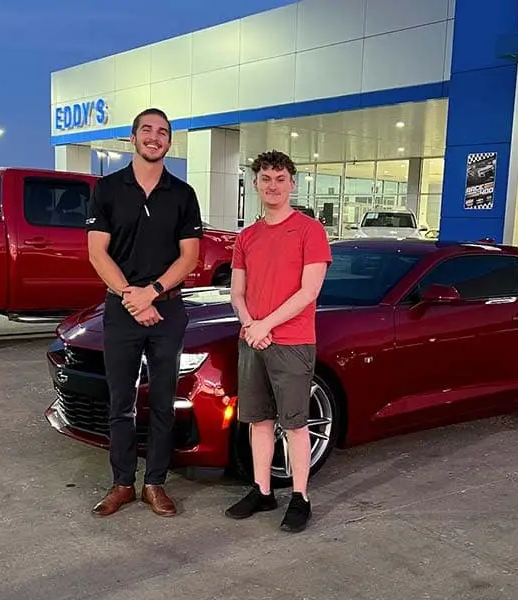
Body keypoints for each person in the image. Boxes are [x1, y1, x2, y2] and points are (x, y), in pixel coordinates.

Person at [85, 107, 203, 517]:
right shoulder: (107, 189)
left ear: (170, 142)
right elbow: (96, 252)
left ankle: (155, 483)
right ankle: (121, 483)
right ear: (132, 138)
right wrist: (131, 297)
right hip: (121, 311)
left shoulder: (183, 195)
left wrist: (151, 293)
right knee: (120, 402)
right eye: (147, 130)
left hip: (167, 311)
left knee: (164, 403)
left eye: (163, 132)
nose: (155, 137)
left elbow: (190, 257)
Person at [224, 150, 332, 532]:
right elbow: (237, 292)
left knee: (296, 423)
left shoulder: (309, 230)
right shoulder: (247, 237)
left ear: (292, 183)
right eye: (265, 179)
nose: (273, 185)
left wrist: (264, 325)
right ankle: (263, 490)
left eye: (280, 178)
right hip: (253, 340)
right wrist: (251, 325)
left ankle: (300, 496)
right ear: (255, 184)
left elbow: (309, 291)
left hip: (292, 341)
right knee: (258, 421)